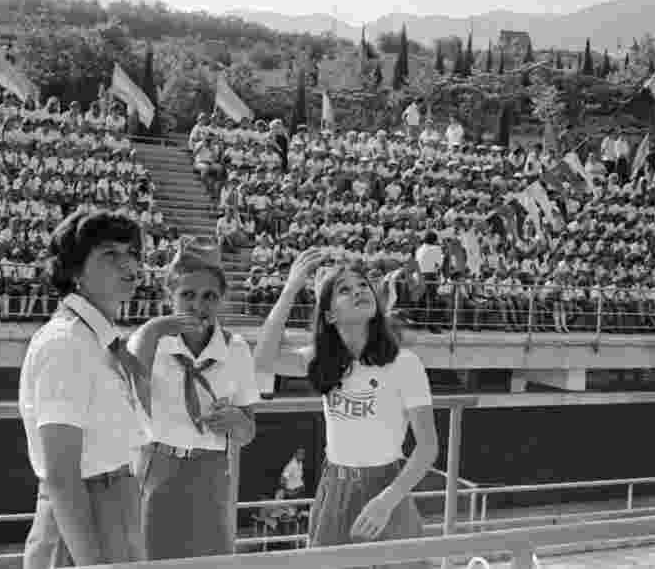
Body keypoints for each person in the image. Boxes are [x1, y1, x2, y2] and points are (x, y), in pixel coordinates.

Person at [254, 249, 438, 568]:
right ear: (329, 315)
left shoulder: (404, 364)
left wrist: (387, 501)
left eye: (362, 286)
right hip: (334, 486)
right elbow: (262, 360)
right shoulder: (321, 360)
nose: (358, 292)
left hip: (386, 485)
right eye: (344, 290)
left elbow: (427, 448)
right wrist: (290, 289)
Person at [19, 209, 149, 568]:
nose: (130, 267)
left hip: (114, 503)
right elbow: (62, 478)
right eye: (110, 255)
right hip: (84, 519)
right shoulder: (67, 343)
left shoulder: (98, 337)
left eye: (133, 254)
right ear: (74, 270)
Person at [127, 236, 259, 559]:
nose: (198, 306)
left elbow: (247, 433)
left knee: (210, 559)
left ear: (222, 300)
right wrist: (153, 331)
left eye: (209, 296)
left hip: (210, 471)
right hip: (157, 465)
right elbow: (128, 405)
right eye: (187, 295)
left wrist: (236, 422)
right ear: (169, 295)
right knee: (150, 558)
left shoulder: (236, 348)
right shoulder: (148, 341)